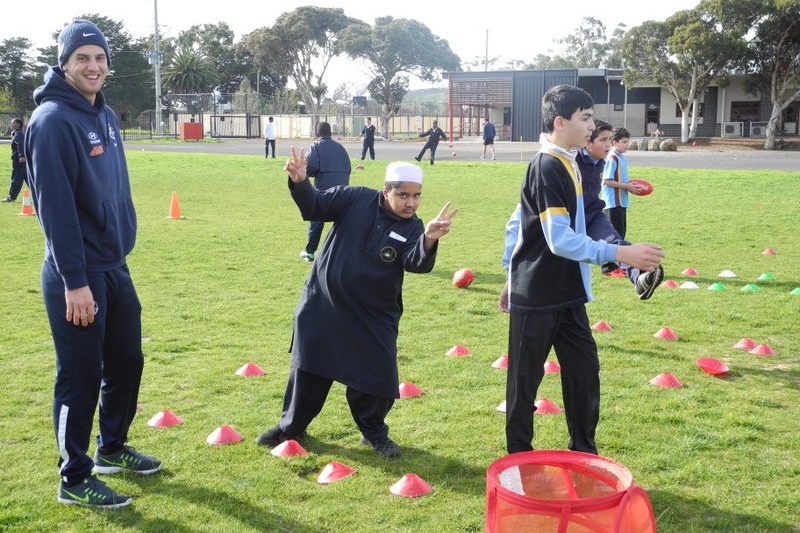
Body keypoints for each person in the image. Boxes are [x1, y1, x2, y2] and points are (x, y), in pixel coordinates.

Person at [24, 20, 162, 509]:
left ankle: (112, 448)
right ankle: (74, 475)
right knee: (80, 373)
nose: (93, 66)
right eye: (82, 57)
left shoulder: (103, 115)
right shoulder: (52, 121)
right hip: (76, 274)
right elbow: (55, 210)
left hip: (113, 264)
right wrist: (74, 282)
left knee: (127, 360)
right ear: (64, 63)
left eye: (100, 58)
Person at [257, 153, 458, 458]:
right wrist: (300, 181)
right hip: (324, 304)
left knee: (376, 376)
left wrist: (429, 239)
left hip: (374, 315)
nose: (411, 203)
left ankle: (373, 431)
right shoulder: (353, 198)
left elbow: (416, 262)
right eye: (403, 195)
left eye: (416, 196)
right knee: (309, 368)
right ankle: (291, 427)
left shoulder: (413, 227)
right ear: (385, 191)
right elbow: (315, 206)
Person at [504, 84, 664, 455]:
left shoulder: (571, 161)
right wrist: (621, 255)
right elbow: (559, 240)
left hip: (568, 292)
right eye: (586, 118)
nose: (592, 127)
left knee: (584, 373)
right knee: (524, 383)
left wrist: (619, 251)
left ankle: (583, 451)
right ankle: (519, 458)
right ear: (561, 122)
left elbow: (584, 217)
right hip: (537, 293)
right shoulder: (546, 166)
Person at [499, 119, 664, 310]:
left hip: (592, 214)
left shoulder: (600, 161)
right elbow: (520, 222)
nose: (609, 145)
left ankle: (641, 276)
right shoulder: (565, 161)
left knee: (615, 242)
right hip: (566, 221)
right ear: (588, 143)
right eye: (603, 140)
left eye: (610, 140)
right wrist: (510, 277)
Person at [300, 121, 351, 262]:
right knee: (340, 222)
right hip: (343, 191)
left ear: (317, 134)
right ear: (330, 133)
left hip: (323, 191)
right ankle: (341, 252)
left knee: (316, 219)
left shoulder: (316, 146)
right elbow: (348, 168)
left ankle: (310, 252)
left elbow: (310, 167)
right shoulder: (341, 148)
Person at [600, 127, 648, 274]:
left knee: (620, 234)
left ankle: (617, 266)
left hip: (621, 202)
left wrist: (631, 186)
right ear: (614, 142)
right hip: (612, 203)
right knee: (613, 237)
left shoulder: (620, 157)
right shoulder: (612, 158)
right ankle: (608, 268)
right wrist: (627, 186)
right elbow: (606, 181)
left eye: (628, 142)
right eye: (624, 142)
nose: (627, 145)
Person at [1, 118, 27, 203]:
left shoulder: (18, 134)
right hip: (21, 161)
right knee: (30, 180)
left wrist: (21, 156)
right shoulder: (18, 133)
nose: (11, 125)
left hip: (19, 161)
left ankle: (11, 197)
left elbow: (21, 145)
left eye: (13, 123)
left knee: (16, 179)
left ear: (18, 125)